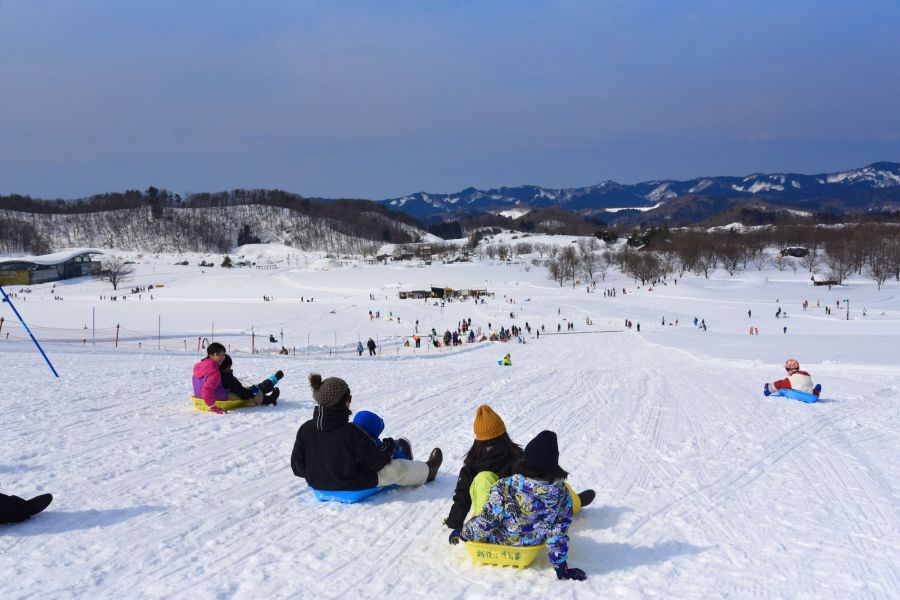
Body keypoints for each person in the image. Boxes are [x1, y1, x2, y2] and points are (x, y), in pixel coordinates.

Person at [449, 430, 587, 581]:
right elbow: (558, 533)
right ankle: (579, 502)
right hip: (528, 550)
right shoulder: (563, 495)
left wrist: (464, 532)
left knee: (483, 482)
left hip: (498, 543)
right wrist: (562, 568)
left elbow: (487, 520)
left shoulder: (506, 487)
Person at [444, 405, 593, 532]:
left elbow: (462, 498)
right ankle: (574, 502)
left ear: (478, 439)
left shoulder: (471, 466)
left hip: (487, 520)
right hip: (517, 518)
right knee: (556, 487)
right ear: (503, 433)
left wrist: (454, 523)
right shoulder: (517, 456)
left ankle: (484, 522)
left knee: (483, 479)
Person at [291, 374, 442, 491]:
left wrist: (322, 471)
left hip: (317, 484)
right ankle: (429, 471)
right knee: (396, 469)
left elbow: (297, 468)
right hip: (352, 484)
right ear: (342, 402)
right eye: (349, 398)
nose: (350, 401)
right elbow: (377, 462)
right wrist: (388, 446)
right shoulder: (351, 432)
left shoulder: (305, 429)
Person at [192, 342, 230, 413]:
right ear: (211, 355)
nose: (222, 357)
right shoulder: (214, 371)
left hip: (198, 397)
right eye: (218, 354)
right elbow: (207, 390)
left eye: (223, 354)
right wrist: (214, 407)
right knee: (237, 394)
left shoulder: (199, 367)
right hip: (213, 398)